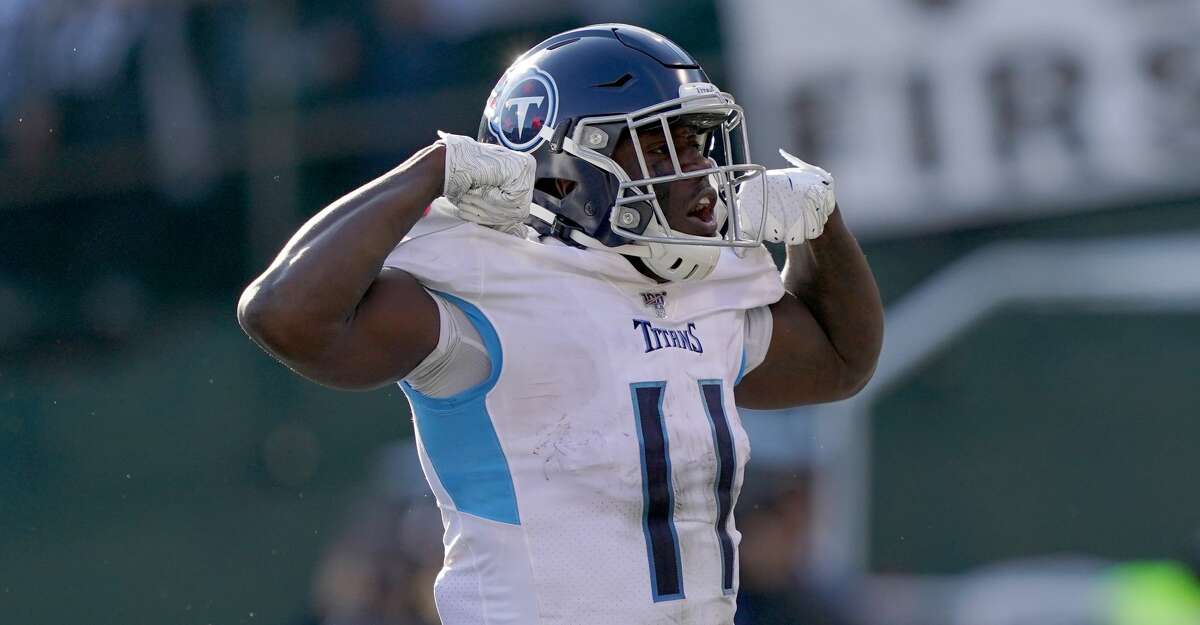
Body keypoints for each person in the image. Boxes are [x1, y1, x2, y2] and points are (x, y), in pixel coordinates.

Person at [238, 24, 883, 625]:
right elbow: (284, 315)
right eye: (659, 146)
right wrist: (427, 174)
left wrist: (822, 231)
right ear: (563, 169)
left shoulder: (701, 289)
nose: (696, 170)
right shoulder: (488, 289)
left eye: (695, 141)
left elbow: (841, 360)